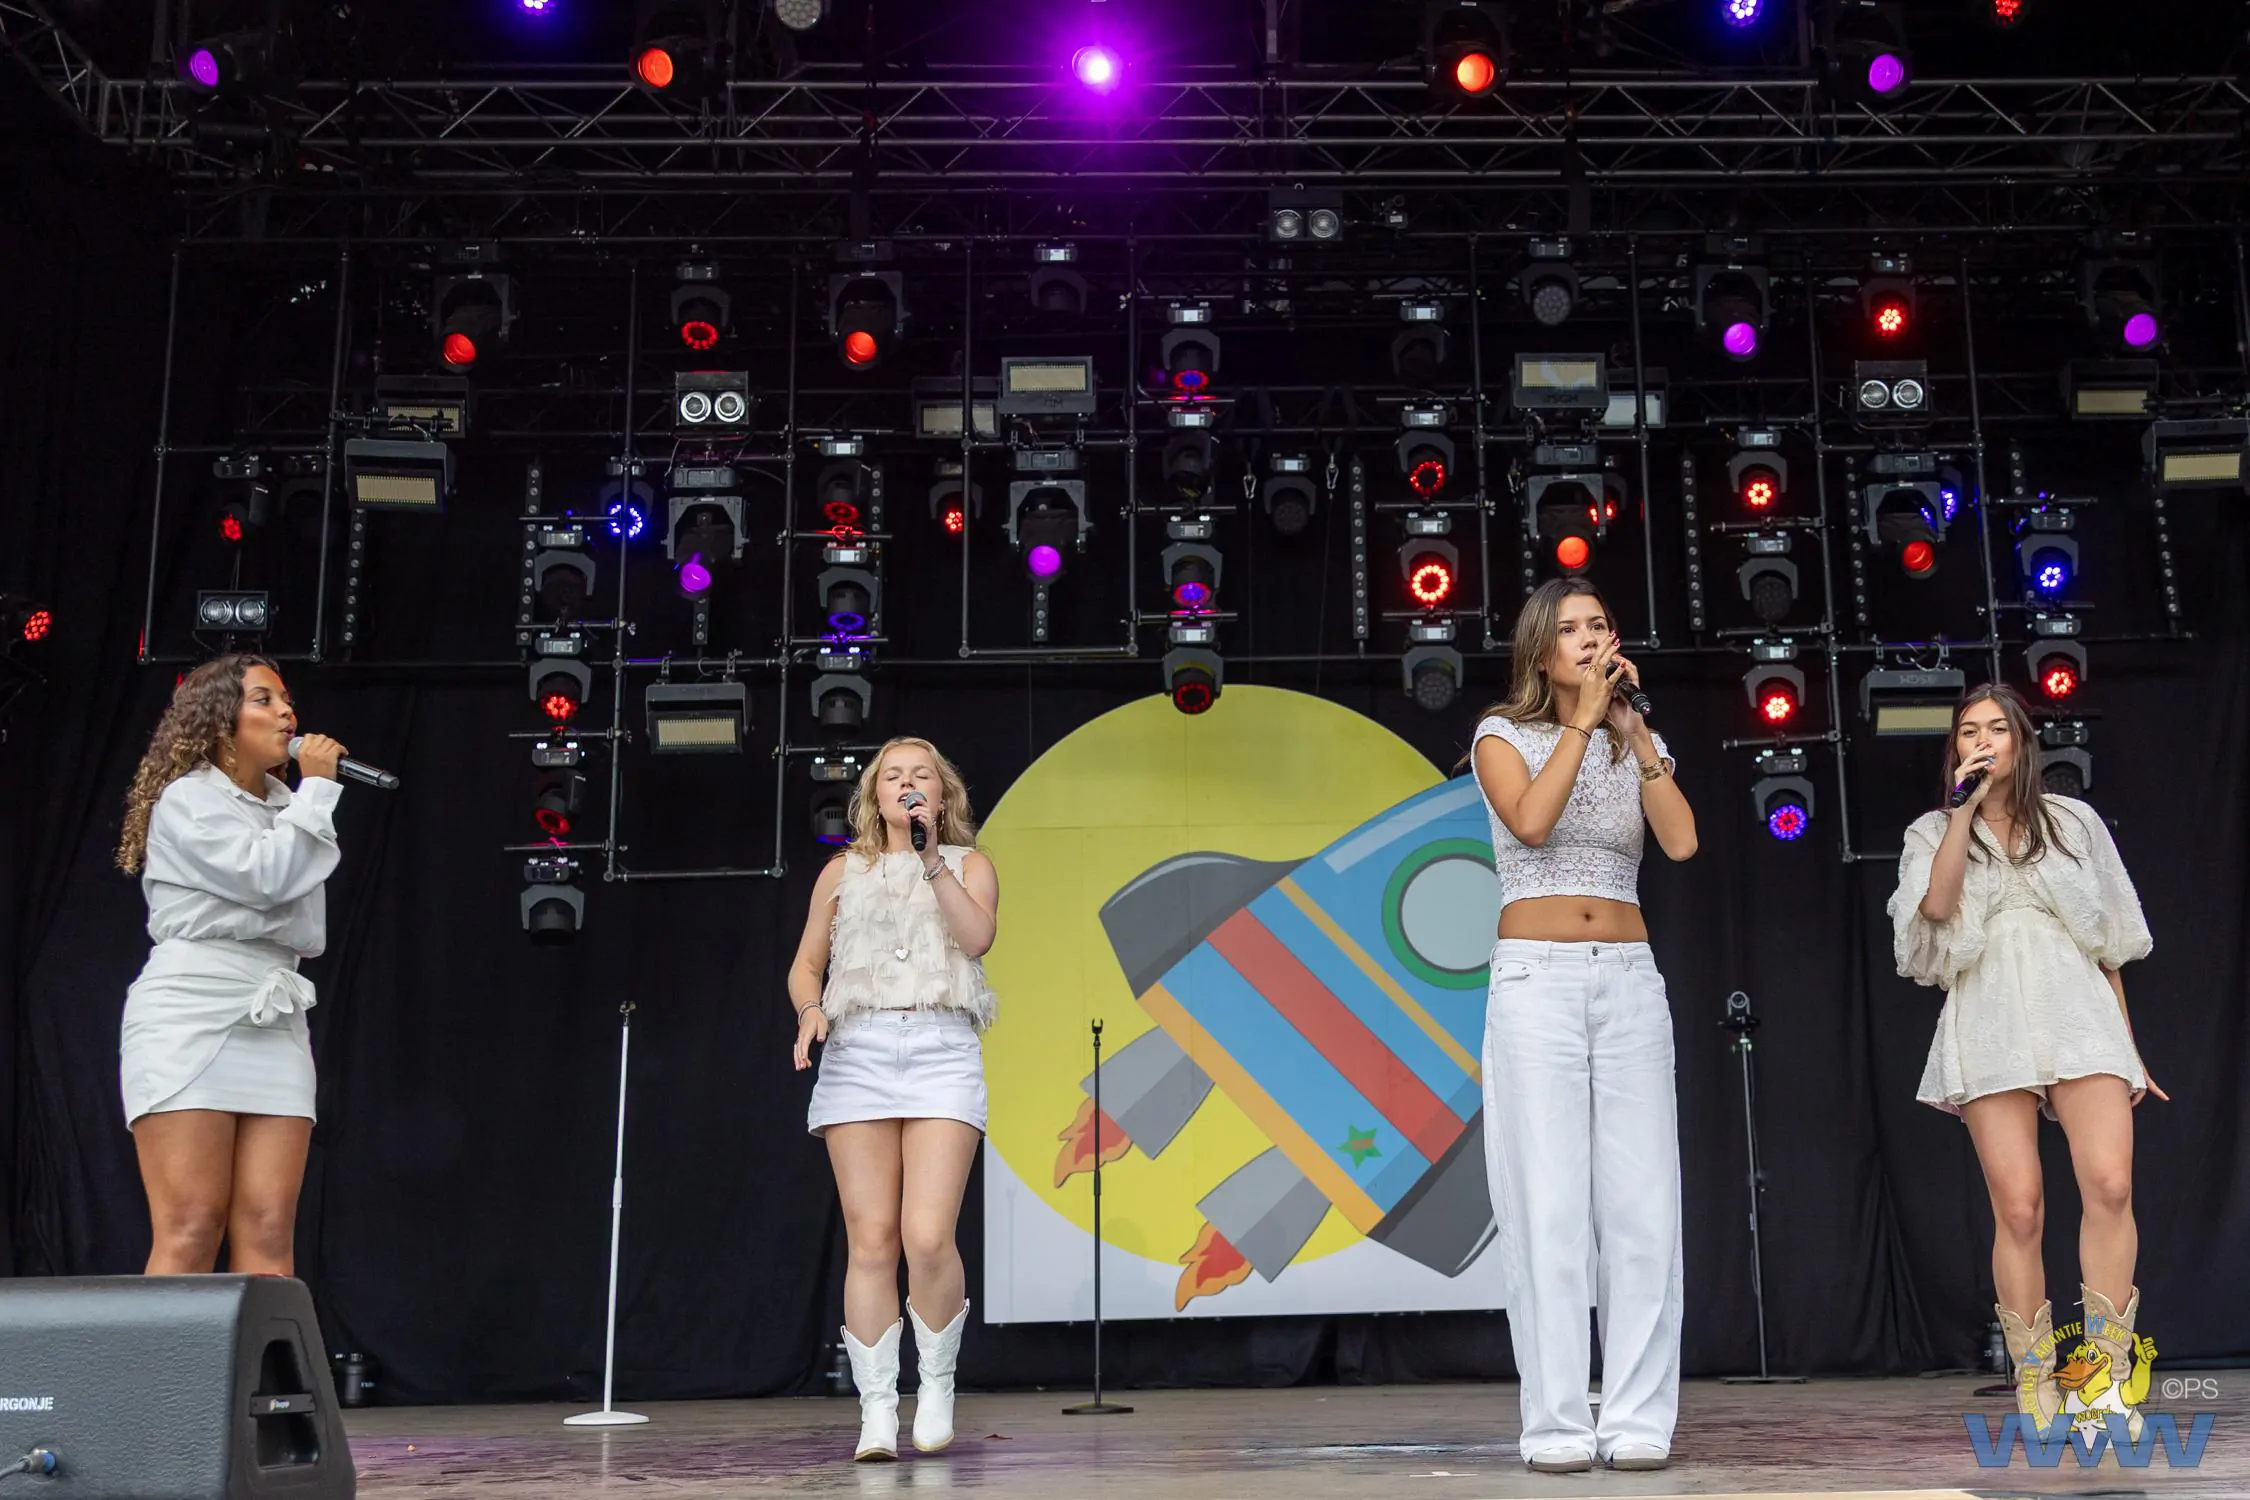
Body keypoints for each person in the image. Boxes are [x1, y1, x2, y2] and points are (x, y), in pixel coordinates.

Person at [1467, 577, 1698, 1473]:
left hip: (1629, 979)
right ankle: (1558, 1422)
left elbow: (1680, 842)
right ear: (1542, 649)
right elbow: (1530, 823)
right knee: (1549, 1206)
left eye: (1601, 624)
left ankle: (1637, 1417)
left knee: (1644, 1207)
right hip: (1538, 982)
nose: (1592, 639)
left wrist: (1633, 736)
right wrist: (1581, 725)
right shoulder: (1502, 736)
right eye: (1572, 629)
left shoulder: (1635, 739)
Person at [1887, 684, 2161, 1429]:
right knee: (2019, 1207)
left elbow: (2110, 945)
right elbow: (1935, 911)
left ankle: (2103, 1385)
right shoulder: (1931, 831)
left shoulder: (2074, 822)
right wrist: (1963, 811)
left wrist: (2130, 1048)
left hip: (2077, 1009)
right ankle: (2038, 1381)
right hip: (1990, 1013)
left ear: (2022, 741)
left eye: (1996, 729)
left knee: (2110, 1185)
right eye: (1967, 731)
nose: (1981, 740)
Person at [787, 737, 999, 1462]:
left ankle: (935, 1385)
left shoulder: (969, 865)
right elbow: (806, 965)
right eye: (893, 777)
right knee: (871, 1239)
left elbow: (977, 939)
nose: (907, 785)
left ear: (942, 794)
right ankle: (877, 1408)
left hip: (941, 1046)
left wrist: (932, 858)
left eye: (921, 776)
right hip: (860, 1050)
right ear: (874, 796)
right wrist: (810, 1009)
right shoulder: (841, 871)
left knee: (928, 1235)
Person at [113, 654, 349, 1276]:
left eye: (287, 700)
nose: (287, 713)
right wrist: (318, 791)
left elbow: (295, 908)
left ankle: (261, 1349)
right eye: (264, 700)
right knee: (192, 1225)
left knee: (269, 1230)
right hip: (192, 1007)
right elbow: (266, 878)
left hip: (273, 1010)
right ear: (220, 720)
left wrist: (306, 800)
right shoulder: (188, 799)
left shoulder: (286, 806)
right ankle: (167, 1349)